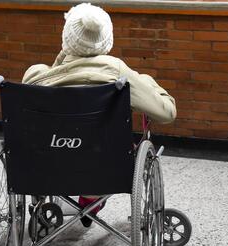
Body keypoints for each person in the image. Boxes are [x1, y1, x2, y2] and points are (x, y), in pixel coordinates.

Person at [22, 3, 177, 227]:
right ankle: (92, 197)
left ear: (66, 38)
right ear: (107, 39)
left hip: (46, 164)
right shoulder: (119, 74)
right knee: (104, 153)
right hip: (105, 166)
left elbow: (53, 77)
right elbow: (167, 112)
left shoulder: (36, 75)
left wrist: (63, 57)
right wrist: (147, 82)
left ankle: (86, 196)